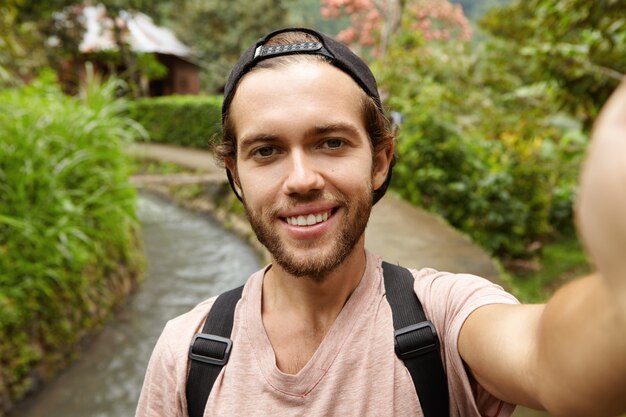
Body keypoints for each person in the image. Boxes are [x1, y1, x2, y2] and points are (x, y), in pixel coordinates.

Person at [135, 28, 626, 417]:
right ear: (235, 174)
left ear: (380, 161)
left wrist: (618, 282)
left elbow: (548, 360)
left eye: (331, 142)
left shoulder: (442, 318)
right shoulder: (190, 352)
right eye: (266, 151)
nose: (301, 179)